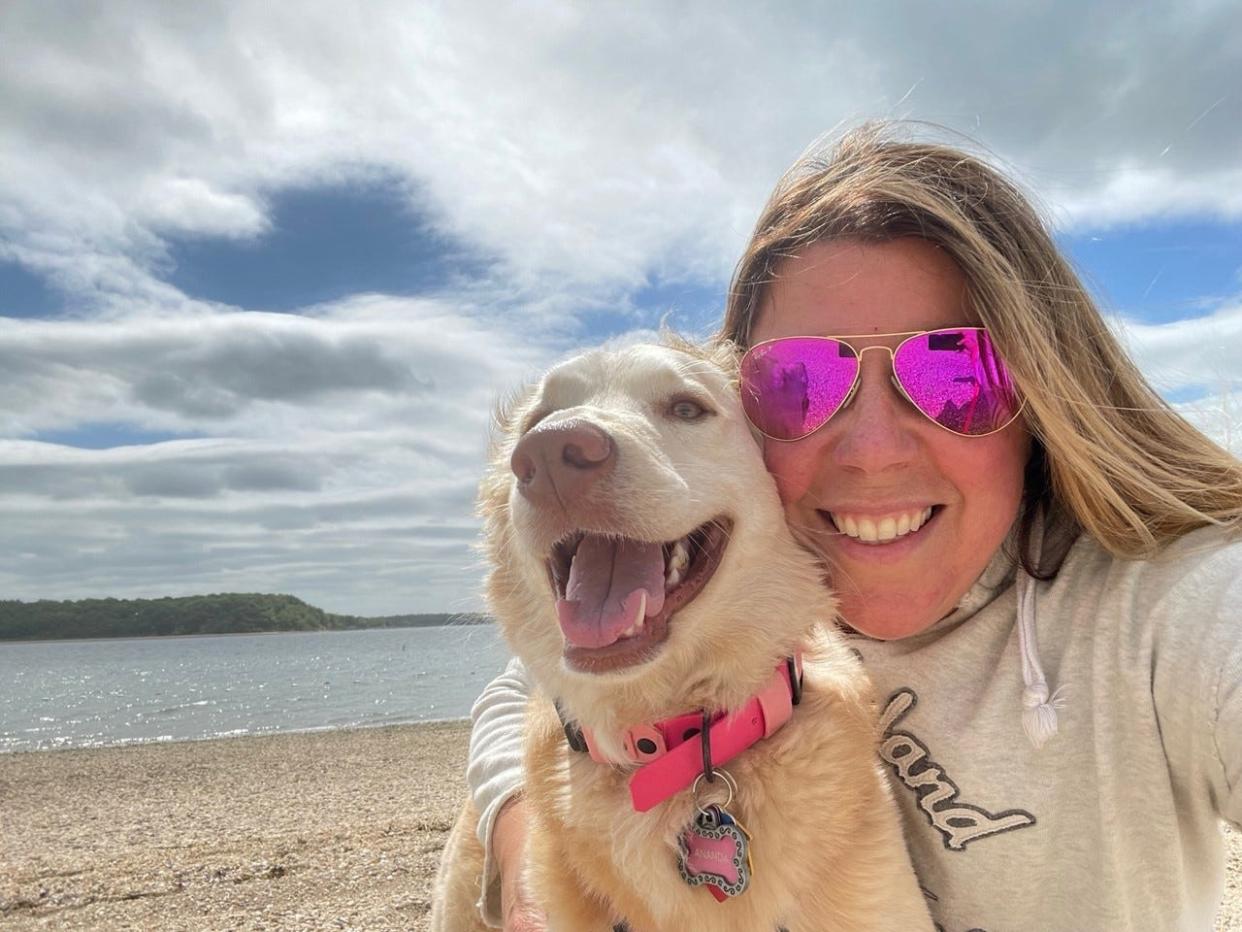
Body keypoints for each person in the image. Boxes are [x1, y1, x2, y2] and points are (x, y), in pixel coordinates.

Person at [464, 123, 1242, 931]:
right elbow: (540, 673)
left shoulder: (1160, 615)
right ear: (753, 425)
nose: (871, 452)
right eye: (801, 381)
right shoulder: (757, 574)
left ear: (1045, 390)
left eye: (953, 373)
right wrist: (520, 840)